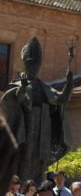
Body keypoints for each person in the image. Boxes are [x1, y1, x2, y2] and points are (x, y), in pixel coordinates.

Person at [1, 37, 73, 182]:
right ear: (26, 65)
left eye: (37, 65)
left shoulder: (44, 88)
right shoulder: (17, 84)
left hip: (42, 132)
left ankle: (37, 192)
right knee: (22, 162)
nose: (35, 68)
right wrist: (22, 87)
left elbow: (62, 98)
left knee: (40, 165)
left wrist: (70, 74)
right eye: (32, 65)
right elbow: (16, 100)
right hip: (25, 131)